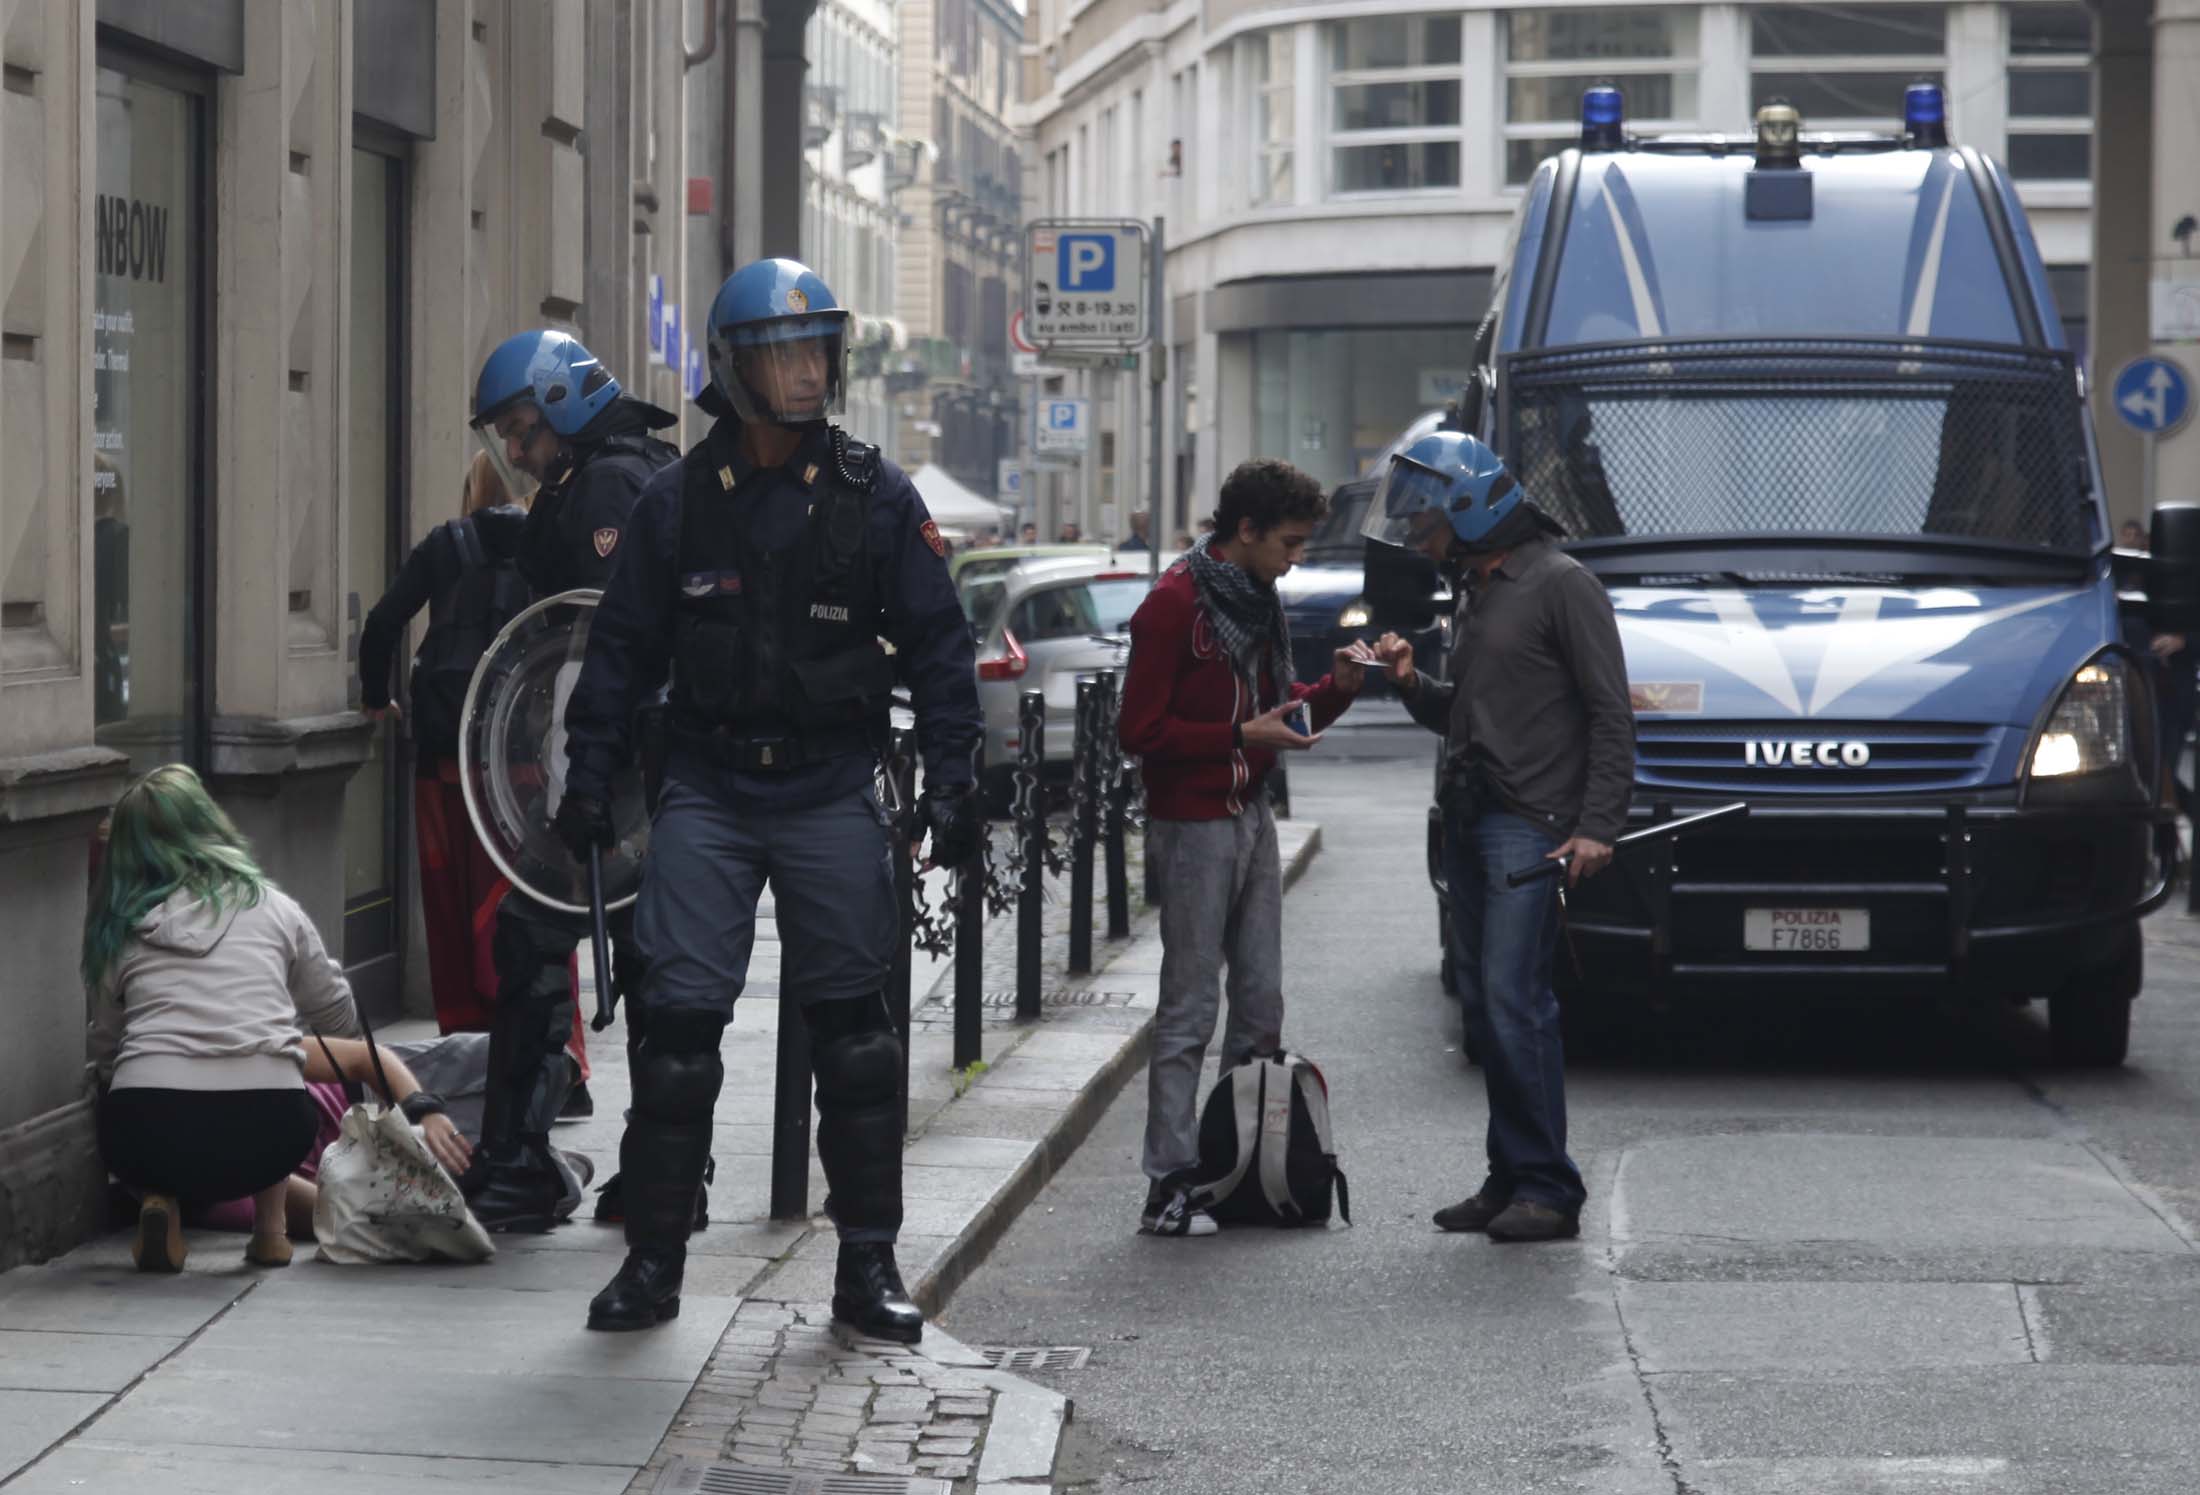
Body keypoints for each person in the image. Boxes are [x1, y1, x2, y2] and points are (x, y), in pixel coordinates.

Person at [556, 258, 984, 1338]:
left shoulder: (874, 493)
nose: (806, 372)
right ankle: (653, 1261)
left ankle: (868, 1264)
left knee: (857, 1039)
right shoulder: (675, 501)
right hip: (706, 785)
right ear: (737, 368)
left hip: (830, 781)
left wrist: (955, 778)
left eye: (816, 351)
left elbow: (940, 645)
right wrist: (587, 778)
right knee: (674, 1038)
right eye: (784, 353)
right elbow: (617, 653)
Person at [1364, 431, 1632, 1244]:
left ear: (1472, 508)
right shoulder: (1478, 589)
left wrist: (1597, 825)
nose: (1418, 538)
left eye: (1426, 521)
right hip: (1472, 816)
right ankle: (1511, 1174)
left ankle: (1549, 1187)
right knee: (1485, 1008)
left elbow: (1610, 714)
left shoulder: (1563, 584)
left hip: (1529, 826)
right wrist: (1411, 682)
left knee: (1517, 1004)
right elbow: (1465, 714)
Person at [463, 330, 680, 1232]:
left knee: (542, 948)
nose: (515, 452)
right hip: (617, 769)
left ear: (563, 405)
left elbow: (605, 645)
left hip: (612, 773)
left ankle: (524, 1162)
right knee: (646, 962)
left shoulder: (607, 487)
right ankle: (662, 1171)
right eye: (506, 435)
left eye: (522, 430)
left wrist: (586, 781)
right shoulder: (613, 474)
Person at [1117, 459, 1368, 1237]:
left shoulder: (1255, 599)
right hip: (1193, 822)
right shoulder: (1173, 605)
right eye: (1289, 542)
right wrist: (1234, 735)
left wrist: (1337, 687)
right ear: (1246, 530)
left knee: (1260, 1004)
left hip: (1250, 812)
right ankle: (1168, 1185)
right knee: (1190, 1005)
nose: (1298, 557)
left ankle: (1234, 1167)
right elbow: (1137, 731)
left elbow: (1275, 718)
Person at [357, 453, 594, 1108]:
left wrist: (376, 695)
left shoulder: (444, 545)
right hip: (520, 763)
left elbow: (382, 624)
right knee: (533, 906)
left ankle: (471, 1054)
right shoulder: (552, 547)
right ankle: (563, 1063)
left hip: (445, 759)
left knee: (451, 907)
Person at [84, 765, 363, 1272]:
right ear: (209, 824)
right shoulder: (275, 908)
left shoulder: (121, 929)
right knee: (273, 1067)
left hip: (146, 1131)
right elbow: (337, 1018)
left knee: (121, 1094)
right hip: (272, 1132)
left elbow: (105, 1045)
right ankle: (270, 1233)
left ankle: (160, 1202)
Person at [193, 1036, 476, 1242]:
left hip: (377, 1090)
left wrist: (424, 1109)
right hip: (385, 1169)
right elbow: (342, 1213)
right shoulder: (232, 1195)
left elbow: (365, 1057)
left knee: (492, 1056)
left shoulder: (232, 1054)